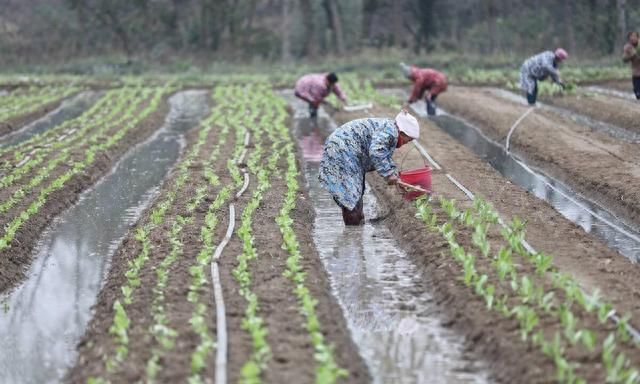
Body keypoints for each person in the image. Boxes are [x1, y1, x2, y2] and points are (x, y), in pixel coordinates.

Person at [318, 110, 420, 225]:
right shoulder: (390, 131)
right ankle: (353, 232)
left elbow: (384, 154)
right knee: (350, 196)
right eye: (409, 139)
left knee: (355, 193)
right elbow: (376, 151)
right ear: (402, 133)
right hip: (342, 152)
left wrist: (395, 175)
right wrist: (389, 174)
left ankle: (356, 227)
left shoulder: (390, 130)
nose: (408, 143)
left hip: (348, 154)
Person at [622, 31, 640, 100]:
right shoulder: (628, 47)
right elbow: (624, 59)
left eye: (634, 36)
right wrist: (632, 55)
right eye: (631, 37)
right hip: (636, 74)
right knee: (638, 93)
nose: (633, 38)